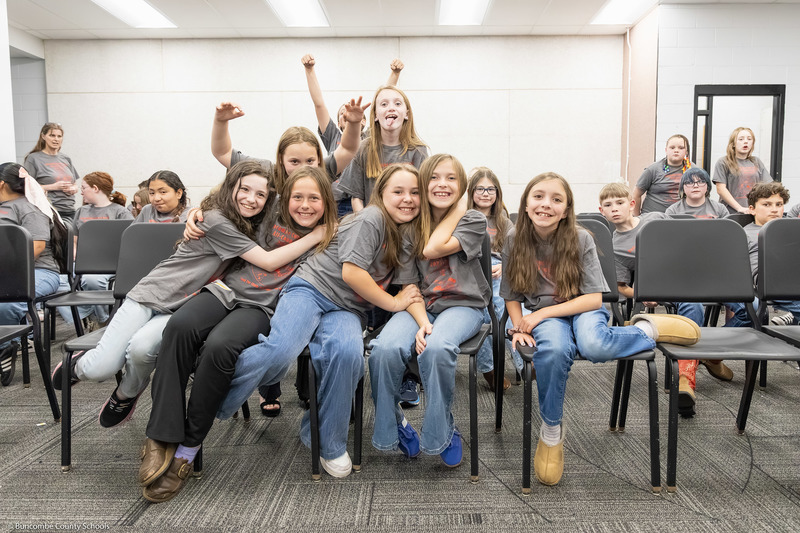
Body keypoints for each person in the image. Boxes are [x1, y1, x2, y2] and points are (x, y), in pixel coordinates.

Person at [137, 166, 337, 502]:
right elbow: (236, 187)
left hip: (260, 309)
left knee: (219, 347)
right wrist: (199, 210)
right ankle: (160, 435)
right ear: (285, 198)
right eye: (297, 197)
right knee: (179, 327)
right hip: (223, 291)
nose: (304, 205)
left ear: (326, 202)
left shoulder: (331, 233)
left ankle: (188, 446)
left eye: (314, 199)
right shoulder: (270, 211)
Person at [216, 163, 426, 480]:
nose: (407, 198)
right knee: (281, 350)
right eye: (398, 191)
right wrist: (394, 302)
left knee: (347, 355)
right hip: (310, 289)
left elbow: (409, 291)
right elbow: (352, 273)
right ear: (381, 194)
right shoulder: (371, 218)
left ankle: (327, 440)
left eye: (414, 192)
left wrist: (423, 322)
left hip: (348, 307)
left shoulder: (408, 235)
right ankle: (214, 398)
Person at [50, 162, 295, 422]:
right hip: (151, 295)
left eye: (260, 194)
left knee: (142, 350)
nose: (251, 199)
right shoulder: (214, 220)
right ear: (231, 187)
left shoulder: (250, 224)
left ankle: (125, 394)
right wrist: (320, 235)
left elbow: (287, 198)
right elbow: (268, 261)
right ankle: (77, 365)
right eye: (244, 189)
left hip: (184, 305)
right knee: (102, 367)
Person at [502, 172, 700, 486]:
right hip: (544, 316)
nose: (546, 205)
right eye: (538, 196)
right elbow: (511, 295)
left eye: (556, 199)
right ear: (526, 203)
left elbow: (594, 299)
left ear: (566, 210)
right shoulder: (513, 239)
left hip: (582, 307)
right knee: (553, 351)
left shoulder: (580, 238)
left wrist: (541, 315)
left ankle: (647, 329)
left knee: (593, 344)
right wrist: (519, 327)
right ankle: (551, 431)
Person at [208, 98, 367, 415]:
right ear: (280, 162)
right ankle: (262, 390)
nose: (304, 167)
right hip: (265, 281)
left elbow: (349, 149)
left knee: (323, 339)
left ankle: (324, 397)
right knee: (275, 342)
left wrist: (352, 124)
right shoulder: (268, 182)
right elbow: (224, 154)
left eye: (311, 160)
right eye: (294, 161)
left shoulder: (322, 176)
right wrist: (221, 121)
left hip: (306, 280)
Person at [369, 154, 491, 468]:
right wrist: (423, 324)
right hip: (421, 307)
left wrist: (461, 206)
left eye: (451, 178)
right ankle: (395, 422)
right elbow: (409, 288)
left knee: (437, 349)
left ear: (462, 185)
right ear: (424, 184)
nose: (442, 184)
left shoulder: (473, 220)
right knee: (383, 349)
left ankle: (443, 429)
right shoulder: (409, 228)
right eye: (434, 177)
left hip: (463, 306)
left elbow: (433, 248)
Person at [599, 181, 728, 418]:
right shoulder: (615, 245)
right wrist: (643, 294)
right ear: (602, 212)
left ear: (631, 204)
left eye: (619, 203)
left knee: (750, 308)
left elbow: (685, 246)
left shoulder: (655, 219)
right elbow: (621, 288)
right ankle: (685, 380)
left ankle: (712, 356)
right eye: (608, 205)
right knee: (693, 307)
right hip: (666, 291)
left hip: (691, 275)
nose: (614, 208)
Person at [301, 54, 403, 217]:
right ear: (339, 123)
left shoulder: (370, 138)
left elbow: (383, 103)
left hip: (365, 199)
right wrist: (309, 70)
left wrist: (395, 74)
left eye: (354, 114)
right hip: (336, 203)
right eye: (343, 114)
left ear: (364, 121)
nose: (347, 115)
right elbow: (319, 104)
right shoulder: (333, 136)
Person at [0, 163, 68, 386]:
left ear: (1, 184)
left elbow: (36, 248)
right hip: (7, 272)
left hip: (41, 271)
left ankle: (6, 348)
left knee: (8, 303)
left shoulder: (29, 208)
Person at [56, 171, 133, 330]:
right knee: (58, 283)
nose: (81, 191)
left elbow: (129, 242)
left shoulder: (120, 212)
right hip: (83, 261)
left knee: (92, 280)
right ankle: (89, 314)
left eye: (84, 188)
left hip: (109, 262)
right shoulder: (81, 211)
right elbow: (75, 241)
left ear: (95, 188)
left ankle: (103, 320)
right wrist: (75, 254)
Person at [338, 85, 428, 213]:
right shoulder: (364, 149)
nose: (391, 108)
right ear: (376, 115)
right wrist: (366, 223)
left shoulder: (418, 150)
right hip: (373, 224)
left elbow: (423, 196)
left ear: (406, 113)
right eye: (384, 104)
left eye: (397, 104)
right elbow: (356, 197)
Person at [467, 167, 513, 391]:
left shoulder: (503, 221)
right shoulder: (463, 218)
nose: (485, 193)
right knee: (484, 313)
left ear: (497, 192)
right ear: (471, 192)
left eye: (490, 189)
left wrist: (504, 265)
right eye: (480, 189)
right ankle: (489, 369)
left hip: (499, 272)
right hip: (472, 270)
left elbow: (516, 253)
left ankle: (523, 361)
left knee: (505, 304)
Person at [739, 182, 800, 325]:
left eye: (779, 204)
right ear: (752, 209)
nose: (774, 210)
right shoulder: (745, 234)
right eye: (767, 205)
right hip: (769, 283)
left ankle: (792, 319)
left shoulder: (790, 230)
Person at [23, 123, 80, 224]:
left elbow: (74, 183)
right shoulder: (33, 159)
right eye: (52, 135)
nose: (56, 139)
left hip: (70, 209)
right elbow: (27, 187)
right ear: (43, 136)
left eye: (59, 136)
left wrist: (74, 188)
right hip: (49, 210)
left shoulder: (65, 158)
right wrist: (52, 187)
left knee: (73, 239)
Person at [713, 127, 772, 214]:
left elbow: (769, 186)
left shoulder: (756, 161)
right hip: (730, 212)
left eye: (749, 139)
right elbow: (721, 189)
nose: (745, 142)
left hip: (754, 211)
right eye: (741, 139)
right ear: (733, 143)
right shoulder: (723, 162)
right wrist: (739, 208)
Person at [632, 134, 693, 215]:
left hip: (680, 218)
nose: (676, 150)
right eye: (672, 147)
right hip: (652, 218)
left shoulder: (693, 170)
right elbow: (636, 194)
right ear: (666, 150)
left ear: (686, 152)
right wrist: (636, 218)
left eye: (681, 148)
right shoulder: (653, 169)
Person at [665, 167, 729, 219]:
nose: (696, 186)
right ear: (683, 188)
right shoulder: (673, 211)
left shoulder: (720, 209)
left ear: (707, 186)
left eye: (701, 182)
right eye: (690, 183)